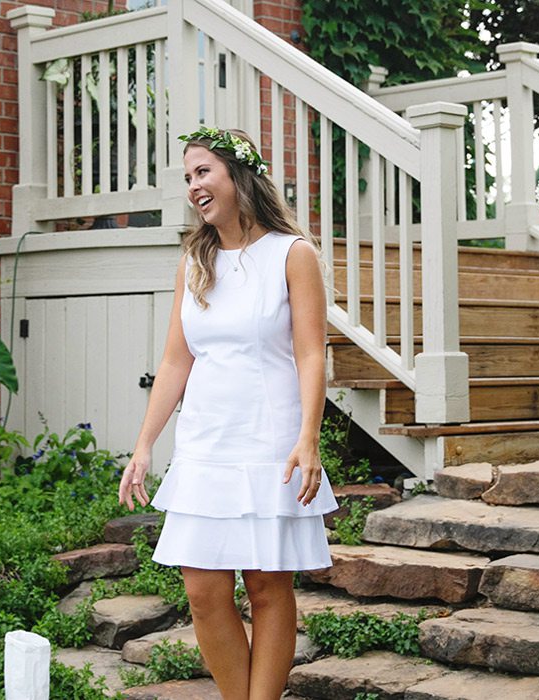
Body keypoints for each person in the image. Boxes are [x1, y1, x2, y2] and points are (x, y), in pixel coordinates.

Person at [118, 126, 338, 699]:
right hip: (205, 446)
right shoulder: (194, 261)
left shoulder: (292, 254)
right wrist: (144, 446)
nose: (193, 186)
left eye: (202, 172)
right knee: (203, 590)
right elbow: (174, 361)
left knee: (267, 588)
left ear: (238, 175)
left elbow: (312, 353)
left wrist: (307, 438)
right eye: (187, 177)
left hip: (271, 443)